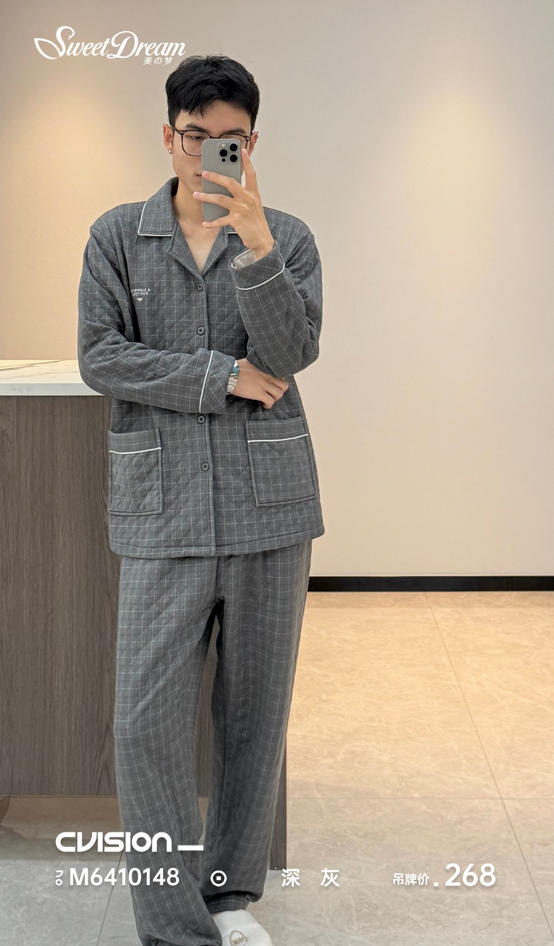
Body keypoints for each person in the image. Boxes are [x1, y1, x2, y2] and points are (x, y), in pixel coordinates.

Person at [77, 53, 324, 946]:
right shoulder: (117, 235)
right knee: (143, 726)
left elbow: (291, 353)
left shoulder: (287, 238)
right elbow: (102, 356)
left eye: (231, 140)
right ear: (168, 135)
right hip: (162, 511)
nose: (210, 152)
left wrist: (257, 250)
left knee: (253, 720)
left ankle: (227, 898)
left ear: (252, 143)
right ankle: (174, 927)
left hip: (270, 508)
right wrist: (222, 375)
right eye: (194, 136)